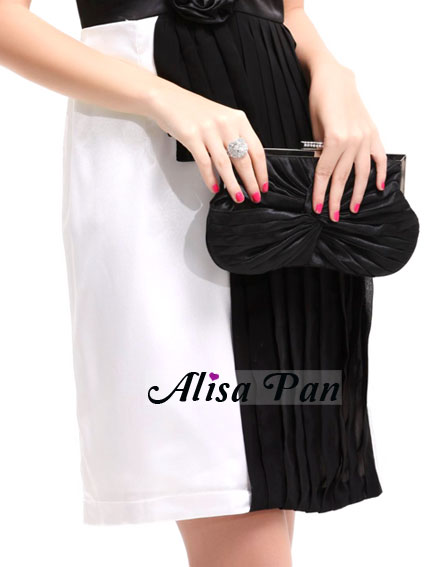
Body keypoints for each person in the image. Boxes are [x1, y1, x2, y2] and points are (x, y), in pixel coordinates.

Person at [0, 1, 387, 565]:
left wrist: (332, 72)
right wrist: (162, 96)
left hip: (282, 162)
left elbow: (290, 13)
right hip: (159, 155)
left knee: (274, 479)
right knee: (227, 479)